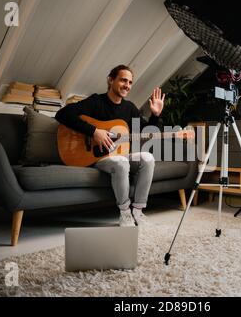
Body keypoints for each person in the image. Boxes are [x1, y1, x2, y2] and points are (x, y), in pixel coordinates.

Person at [55, 64, 165, 227]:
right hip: (99, 158)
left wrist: (155, 115)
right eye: (123, 80)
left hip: (119, 155)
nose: (127, 85)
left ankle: (138, 211)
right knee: (121, 162)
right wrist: (94, 131)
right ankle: (125, 213)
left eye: (130, 82)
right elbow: (62, 114)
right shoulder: (95, 101)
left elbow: (148, 132)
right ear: (111, 80)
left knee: (147, 158)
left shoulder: (130, 108)